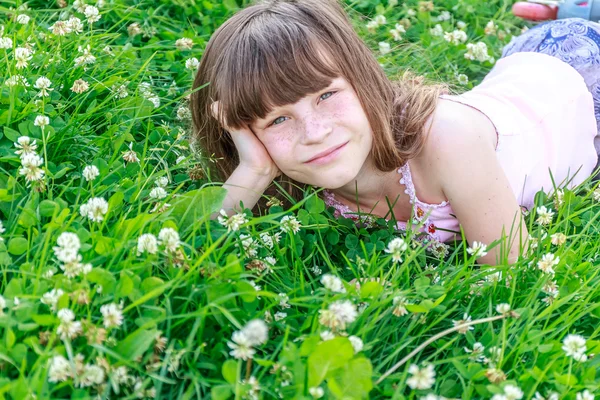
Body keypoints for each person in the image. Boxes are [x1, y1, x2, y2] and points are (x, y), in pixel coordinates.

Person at [189, 0, 600, 265]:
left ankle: (579, 13)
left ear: (362, 79)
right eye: (276, 120)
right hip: (516, 81)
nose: (314, 133)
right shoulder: (286, 175)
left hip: (579, 82)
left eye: (327, 94)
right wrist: (254, 171)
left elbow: (513, 270)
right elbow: (188, 258)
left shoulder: (446, 138)